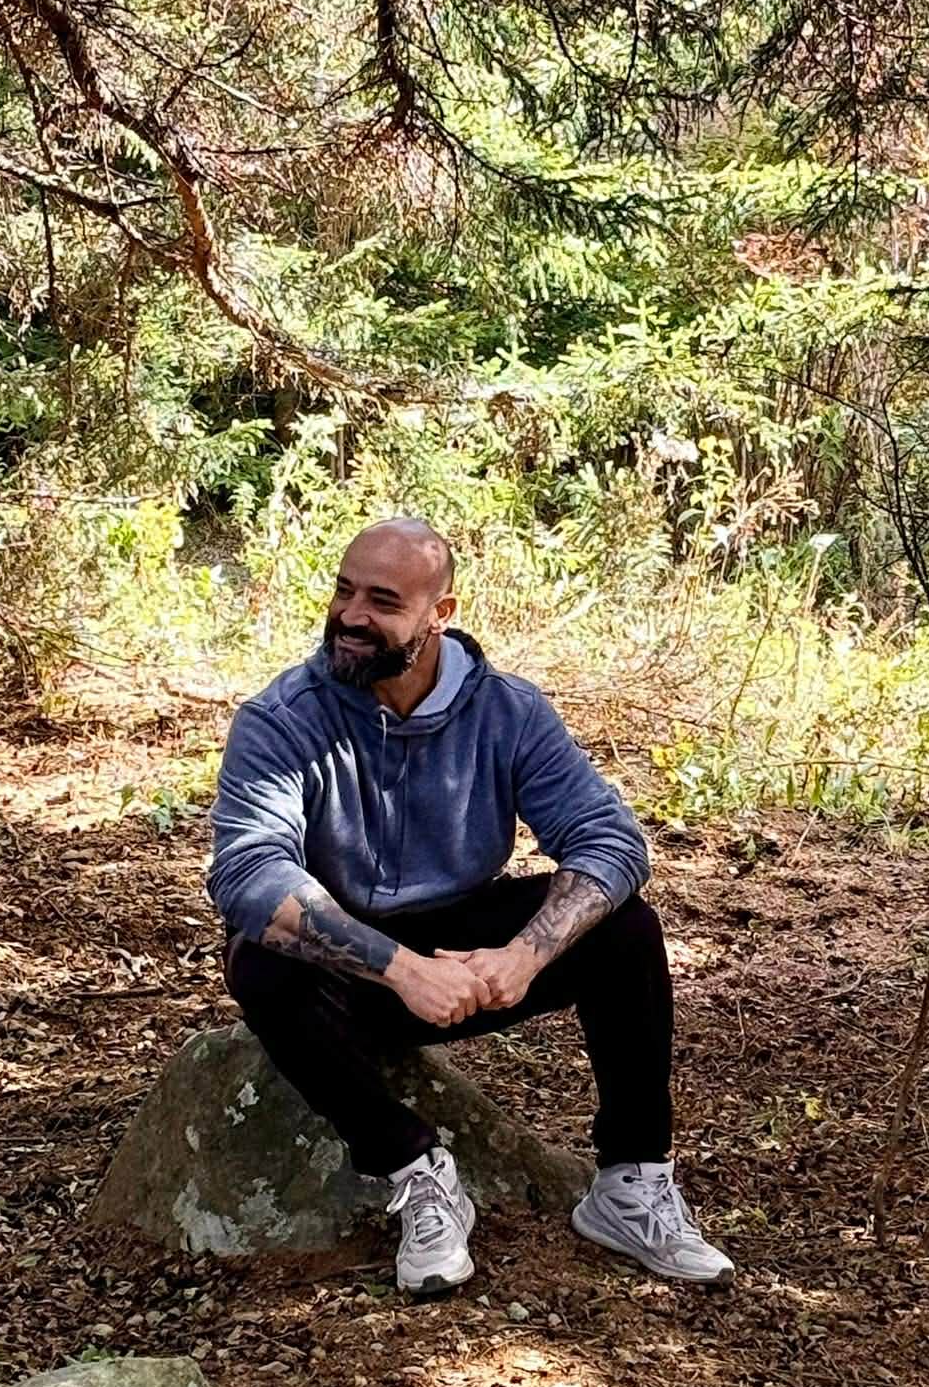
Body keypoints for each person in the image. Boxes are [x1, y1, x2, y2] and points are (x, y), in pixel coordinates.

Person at [208, 517, 733, 1296]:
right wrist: (400, 970)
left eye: (382, 601)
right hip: (351, 975)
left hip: (467, 953)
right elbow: (247, 874)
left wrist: (524, 956)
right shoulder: (283, 719)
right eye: (343, 590)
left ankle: (631, 1182)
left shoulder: (507, 713)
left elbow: (611, 842)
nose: (352, 615)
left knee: (625, 929)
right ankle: (416, 1171)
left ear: (439, 614)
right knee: (260, 961)